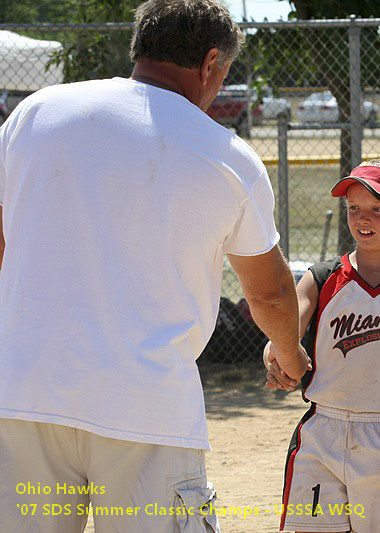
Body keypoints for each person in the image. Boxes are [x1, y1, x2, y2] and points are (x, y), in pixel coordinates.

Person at [0, 1, 308, 532]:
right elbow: (271, 294)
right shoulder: (227, 155)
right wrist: (291, 355)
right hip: (146, 406)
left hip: (22, 392)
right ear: (211, 62)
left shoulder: (37, 111)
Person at [265, 159, 380, 532]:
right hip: (320, 435)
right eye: (354, 208)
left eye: (378, 209)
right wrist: (277, 358)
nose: (363, 218)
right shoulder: (321, 278)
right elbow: (282, 337)